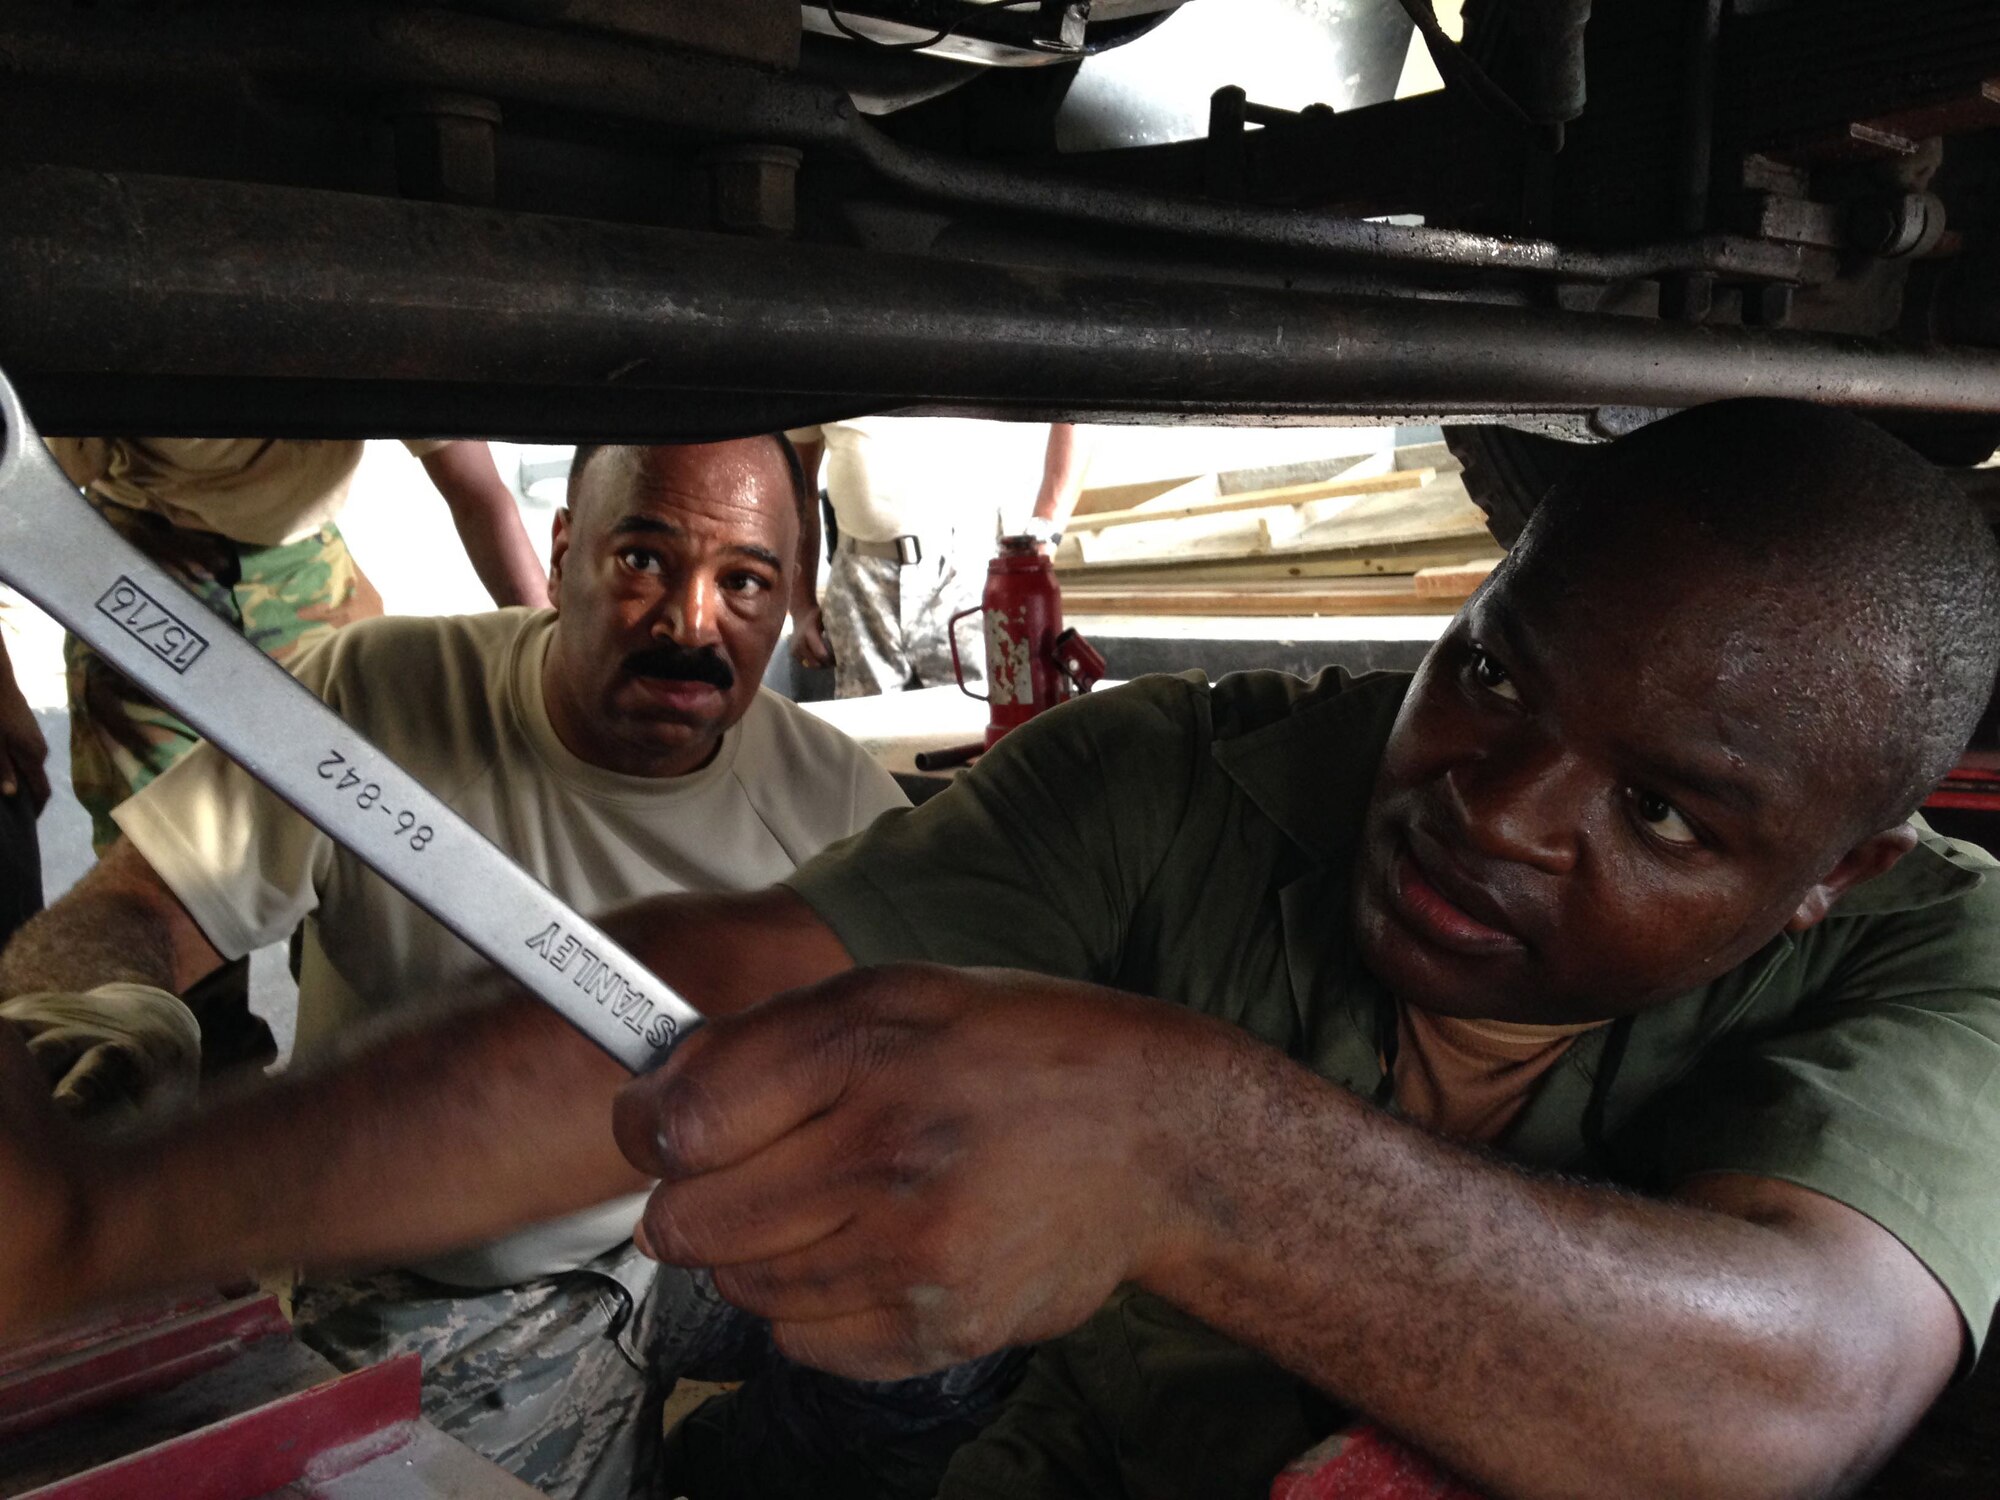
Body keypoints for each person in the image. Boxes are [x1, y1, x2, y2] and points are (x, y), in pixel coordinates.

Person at [3, 400, 1998, 1500]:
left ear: (1837, 873)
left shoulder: (1949, 969)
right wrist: (94, 1224)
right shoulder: (1190, 780)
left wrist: (1187, 1152)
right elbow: (693, 1008)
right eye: (1486, 677)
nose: (1496, 805)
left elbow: (1787, 1396)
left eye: (1658, 812)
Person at [0, 439, 910, 1499]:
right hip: (462, 1277)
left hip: (713, 1231)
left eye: (743, 581)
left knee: (950, 1352)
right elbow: (137, 905)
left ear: (791, 595)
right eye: (642, 560)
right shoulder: (373, 700)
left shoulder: (838, 802)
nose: (689, 623)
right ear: (562, 551)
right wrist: (82, 1018)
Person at [787, 419, 1088, 697]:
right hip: (859, 584)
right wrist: (799, 606)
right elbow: (796, 488)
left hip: (966, 576)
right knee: (863, 742)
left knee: (975, 730)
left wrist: (1047, 530)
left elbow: (1076, 404)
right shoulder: (827, 361)